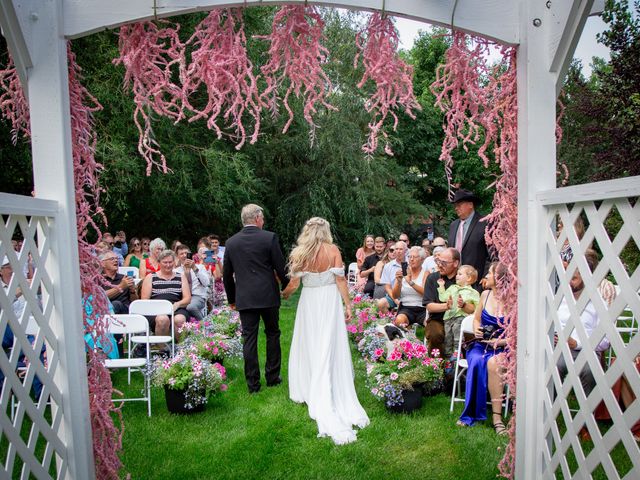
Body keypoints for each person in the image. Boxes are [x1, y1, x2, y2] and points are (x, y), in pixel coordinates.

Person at [282, 217, 369, 445]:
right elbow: (340, 280)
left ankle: (311, 384)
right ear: (326, 231)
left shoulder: (300, 253)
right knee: (329, 341)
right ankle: (329, 381)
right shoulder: (333, 250)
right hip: (329, 300)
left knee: (310, 341)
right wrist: (348, 304)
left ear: (307, 231)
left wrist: (284, 295)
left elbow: (293, 284)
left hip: (310, 302)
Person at [223, 204, 289, 394]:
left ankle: (253, 384)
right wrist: (285, 287)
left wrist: (232, 299)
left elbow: (227, 275)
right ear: (258, 218)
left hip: (245, 297)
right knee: (272, 334)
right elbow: (280, 267)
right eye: (263, 218)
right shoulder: (269, 238)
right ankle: (272, 377)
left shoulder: (232, 242)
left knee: (249, 338)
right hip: (268, 295)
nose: (263, 221)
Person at [457, 262, 509, 434]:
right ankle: (471, 413)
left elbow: (517, 334)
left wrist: (499, 342)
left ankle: (497, 418)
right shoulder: (485, 295)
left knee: (494, 363)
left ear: (500, 278)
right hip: (480, 345)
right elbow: (477, 318)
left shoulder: (513, 299)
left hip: (503, 347)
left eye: (490, 273)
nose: (486, 276)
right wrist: (478, 329)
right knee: (478, 360)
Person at [555, 253, 609, 397]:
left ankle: (587, 415)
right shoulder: (560, 299)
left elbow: (606, 341)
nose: (569, 282)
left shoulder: (598, 303)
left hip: (587, 350)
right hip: (559, 348)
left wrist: (577, 344)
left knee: (589, 371)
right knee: (554, 366)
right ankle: (550, 407)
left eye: (574, 278)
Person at [423, 248, 475, 356]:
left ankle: (463, 368)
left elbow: (474, 306)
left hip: (461, 320)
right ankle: (437, 366)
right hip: (437, 319)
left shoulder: (465, 278)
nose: (440, 265)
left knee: (470, 335)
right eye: (438, 261)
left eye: (444, 263)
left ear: (456, 263)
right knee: (435, 334)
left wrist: (464, 305)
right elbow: (429, 306)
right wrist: (446, 306)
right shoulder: (433, 278)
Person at [140, 249, 191, 341]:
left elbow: (187, 298)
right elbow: (144, 301)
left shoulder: (181, 277)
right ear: (159, 263)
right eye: (165, 262)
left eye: (170, 262)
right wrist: (158, 308)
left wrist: (178, 304)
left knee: (179, 319)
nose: (168, 265)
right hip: (155, 310)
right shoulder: (151, 277)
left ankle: (181, 348)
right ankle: (164, 350)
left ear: (174, 262)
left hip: (176, 308)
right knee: (162, 319)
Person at [447, 189, 491, 287]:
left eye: (459, 205)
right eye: (455, 206)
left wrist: (486, 276)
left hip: (477, 281)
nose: (456, 208)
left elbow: (491, 254)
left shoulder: (485, 223)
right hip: (454, 281)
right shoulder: (453, 225)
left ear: (470, 205)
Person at [438, 265, 480, 357]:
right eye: (457, 274)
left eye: (460, 274)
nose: (457, 276)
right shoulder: (452, 287)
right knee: (447, 337)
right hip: (448, 317)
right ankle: (449, 359)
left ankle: (457, 352)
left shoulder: (473, 292)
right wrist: (441, 287)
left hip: (461, 316)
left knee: (457, 334)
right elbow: (443, 298)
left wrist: (465, 304)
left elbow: (478, 307)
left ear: (468, 278)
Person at [392, 246, 428, 329]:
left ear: (422, 259)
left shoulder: (426, 273)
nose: (411, 259)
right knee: (399, 320)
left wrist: (410, 282)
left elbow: (425, 293)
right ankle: (406, 341)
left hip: (422, 308)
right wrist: (399, 281)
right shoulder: (403, 272)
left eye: (415, 257)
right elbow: (395, 296)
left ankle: (425, 341)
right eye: (409, 257)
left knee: (430, 324)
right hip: (406, 307)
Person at [175, 245, 210, 321]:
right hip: (182, 297)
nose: (184, 255)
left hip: (197, 296)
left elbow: (206, 283)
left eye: (186, 253)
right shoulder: (176, 271)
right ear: (177, 256)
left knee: (191, 307)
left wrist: (194, 268)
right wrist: (185, 274)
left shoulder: (200, 267)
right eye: (181, 254)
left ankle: (204, 325)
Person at [377, 241, 407, 314]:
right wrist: (395, 300)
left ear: (406, 251)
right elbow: (387, 287)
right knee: (381, 303)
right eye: (396, 249)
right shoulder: (388, 266)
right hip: (393, 295)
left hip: (408, 295)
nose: (398, 251)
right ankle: (390, 319)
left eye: (401, 249)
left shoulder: (410, 263)